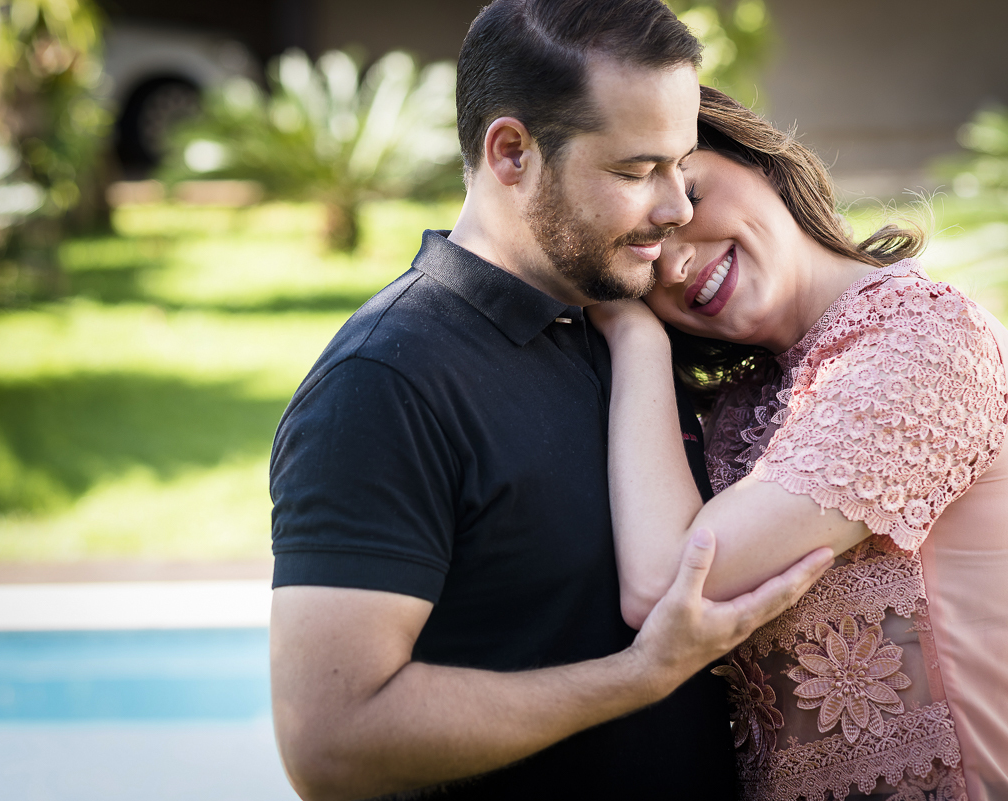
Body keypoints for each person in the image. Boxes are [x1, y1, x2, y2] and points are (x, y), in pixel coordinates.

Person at [267, 4, 833, 800]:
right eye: (636, 171)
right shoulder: (383, 384)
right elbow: (330, 742)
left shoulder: (631, 319)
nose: (676, 208)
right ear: (511, 153)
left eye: (681, 164)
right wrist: (638, 676)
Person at [591, 87, 1008, 800]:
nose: (673, 265)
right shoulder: (749, 393)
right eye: (643, 257)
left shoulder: (928, 346)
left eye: (689, 197)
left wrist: (632, 332)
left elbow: (667, 582)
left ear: (759, 161)